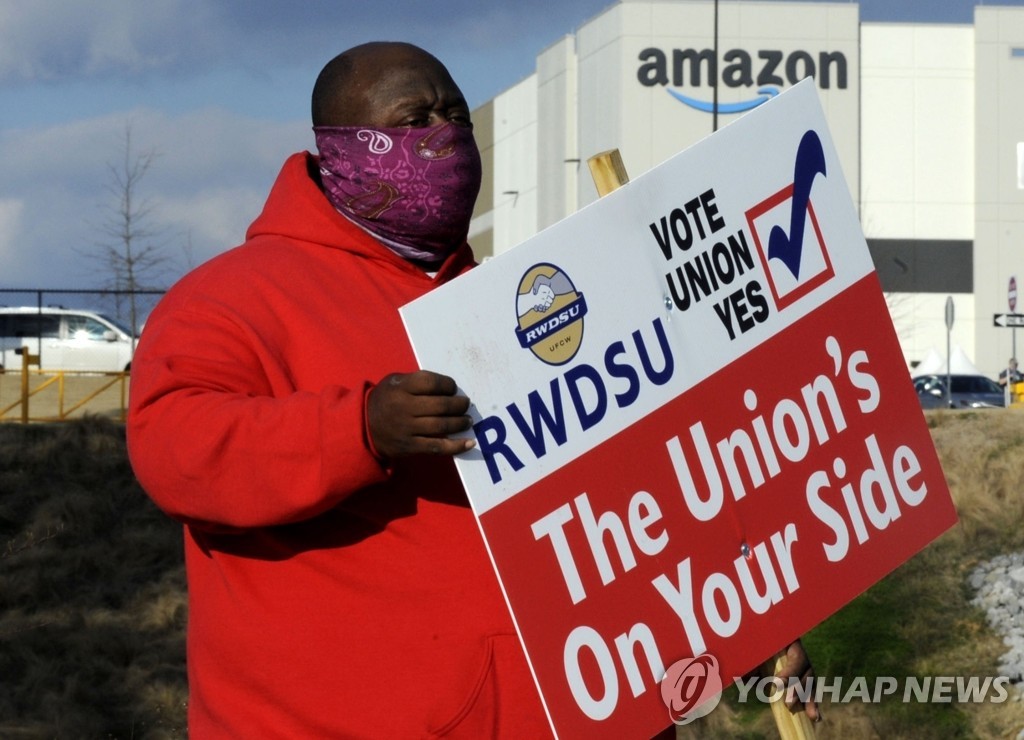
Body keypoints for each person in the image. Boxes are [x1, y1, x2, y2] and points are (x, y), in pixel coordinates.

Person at [127, 41, 818, 736]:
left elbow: (624, 507)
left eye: (455, 113)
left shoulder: (518, 302)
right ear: (339, 147)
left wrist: (737, 614)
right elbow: (176, 449)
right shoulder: (230, 300)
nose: (446, 134)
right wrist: (358, 430)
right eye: (415, 117)